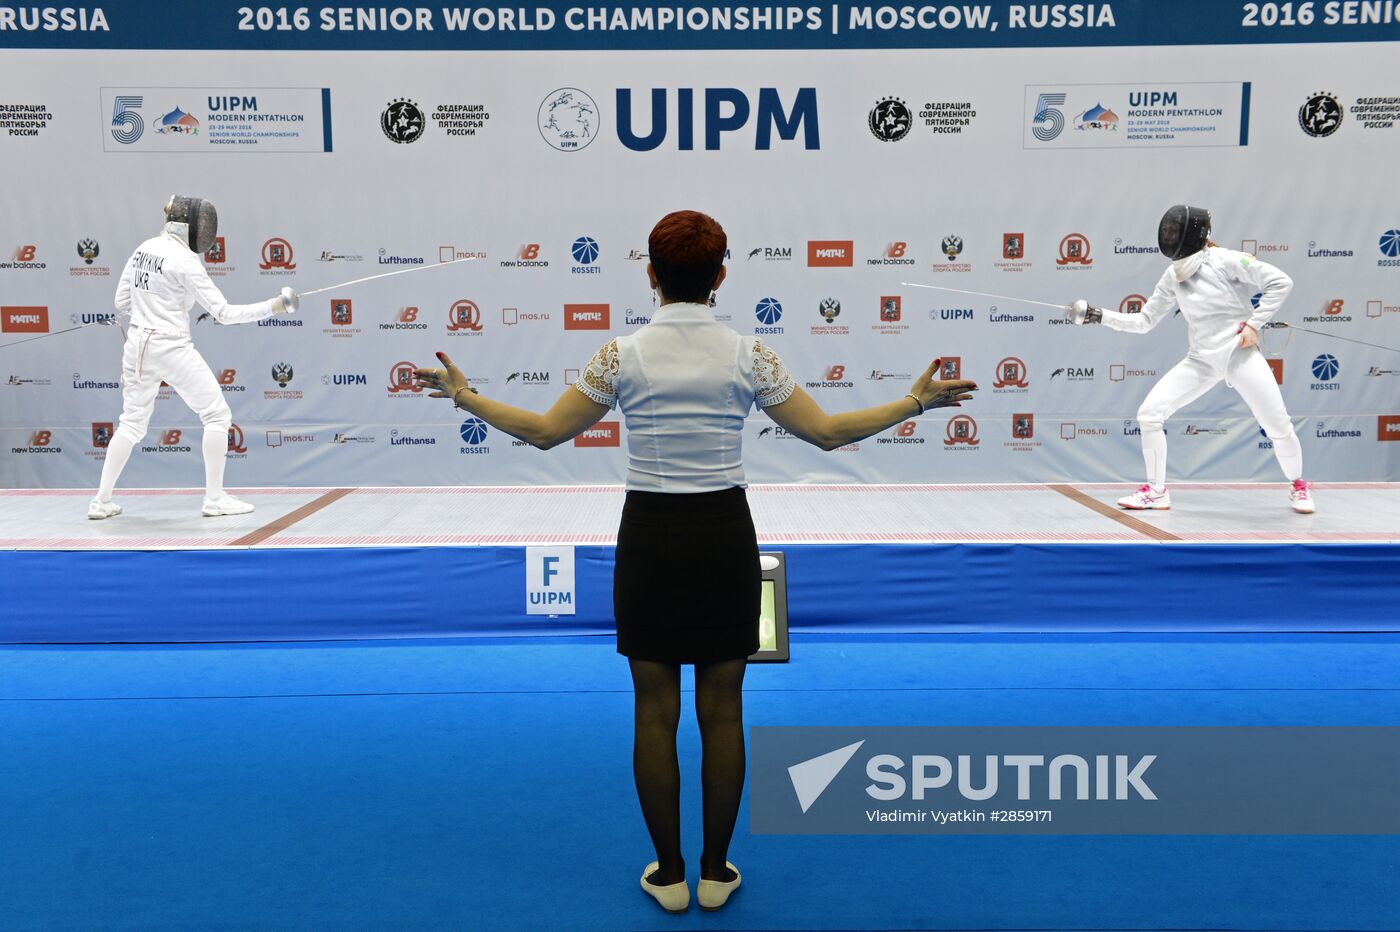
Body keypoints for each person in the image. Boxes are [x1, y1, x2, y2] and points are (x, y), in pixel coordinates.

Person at [414, 210, 978, 914]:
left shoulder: (620, 355)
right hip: (721, 537)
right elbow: (830, 435)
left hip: (649, 537)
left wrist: (463, 395)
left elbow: (546, 433)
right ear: (721, 276)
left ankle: (669, 873)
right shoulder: (749, 355)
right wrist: (915, 402)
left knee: (654, 713)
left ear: (651, 275)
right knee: (723, 711)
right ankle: (716, 871)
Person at [1070, 204, 1314, 514]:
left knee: (1278, 426)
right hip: (1201, 359)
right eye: (1168, 231)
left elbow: (1281, 281)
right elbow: (1144, 321)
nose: (1170, 235)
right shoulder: (1173, 275)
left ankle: (1298, 485)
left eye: (1174, 231)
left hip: (1237, 354)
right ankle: (1157, 492)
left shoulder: (1225, 260)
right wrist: (1098, 315)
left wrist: (1254, 324)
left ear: (1192, 233)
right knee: (1149, 414)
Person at [88, 195, 299, 519]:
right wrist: (275, 306)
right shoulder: (186, 262)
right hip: (171, 347)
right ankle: (214, 499)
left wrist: (149, 312)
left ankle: (101, 502)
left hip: (137, 346)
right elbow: (225, 313)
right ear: (191, 226)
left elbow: (121, 303)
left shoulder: (143, 249)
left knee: (130, 425)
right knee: (216, 416)